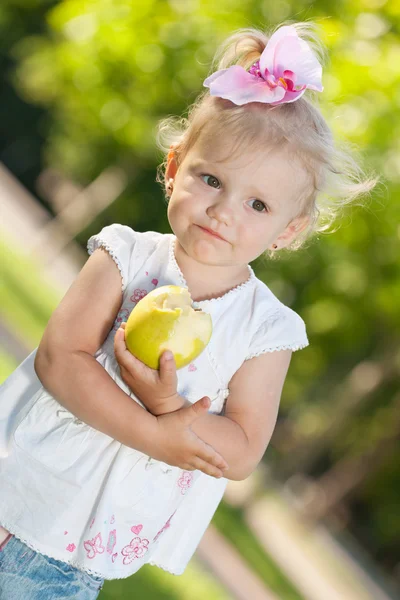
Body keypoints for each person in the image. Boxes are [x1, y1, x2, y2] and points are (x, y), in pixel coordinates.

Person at [0, 20, 377, 599]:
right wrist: (157, 434)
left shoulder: (265, 332)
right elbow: (60, 360)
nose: (224, 211)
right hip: (15, 490)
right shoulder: (125, 255)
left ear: (290, 229)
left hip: (76, 557)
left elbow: (243, 448)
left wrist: (170, 407)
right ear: (175, 168)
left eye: (257, 203)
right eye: (210, 179)